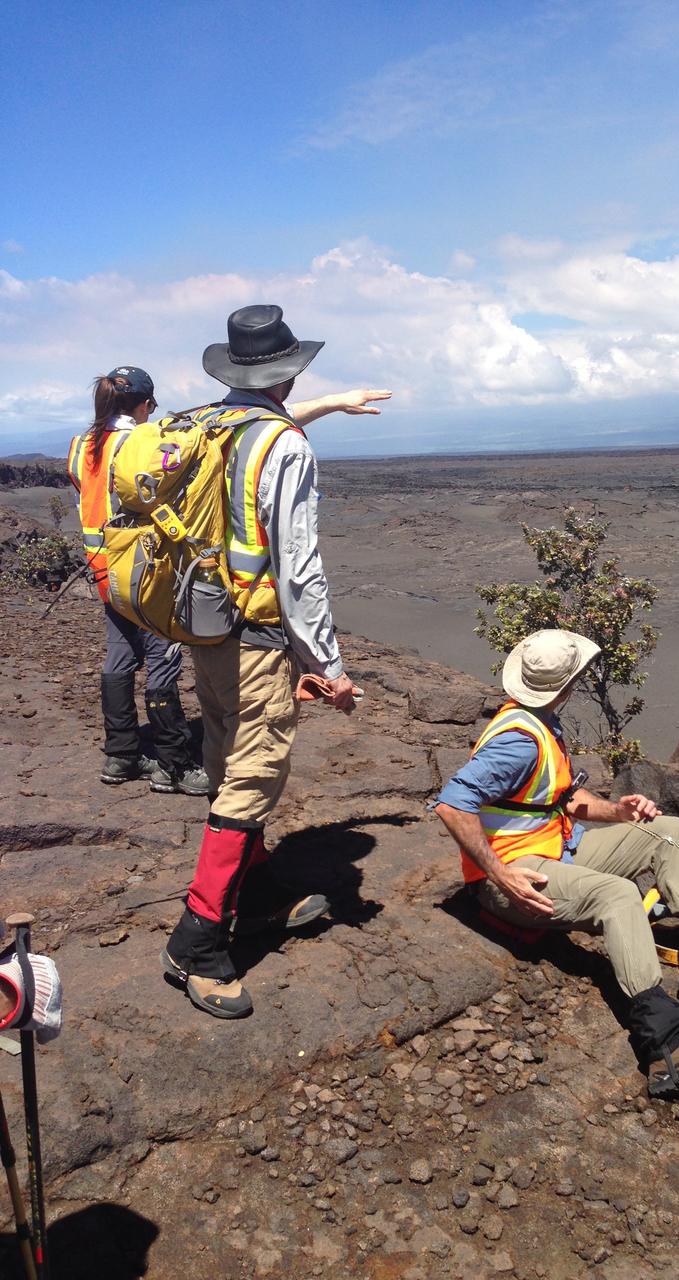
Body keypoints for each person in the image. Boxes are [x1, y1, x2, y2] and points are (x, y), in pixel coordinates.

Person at [434, 629, 679, 1097]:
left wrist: (618, 811)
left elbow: (561, 797)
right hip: (515, 875)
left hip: (555, 847)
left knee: (669, 832)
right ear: (569, 682)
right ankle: (667, 1045)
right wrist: (499, 875)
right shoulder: (518, 741)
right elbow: (452, 803)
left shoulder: (538, 719)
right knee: (619, 896)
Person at [162, 305, 391, 1020]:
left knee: (227, 754)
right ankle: (197, 943)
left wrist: (327, 404)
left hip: (205, 629)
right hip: (257, 636)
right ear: (288, 373)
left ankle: (255, 889)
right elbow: (300, 571)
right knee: (253, 777)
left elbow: (266, 436)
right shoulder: (284, 447)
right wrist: (328, 663)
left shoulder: (207, 423)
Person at [67, 368, 209, 795]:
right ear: (145, 404)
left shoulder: (81, 446)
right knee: (162, 661)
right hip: (145, 571)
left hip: (104, 571)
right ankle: (175, 764)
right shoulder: (140, 444)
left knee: (119, 658)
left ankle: (121, 754)